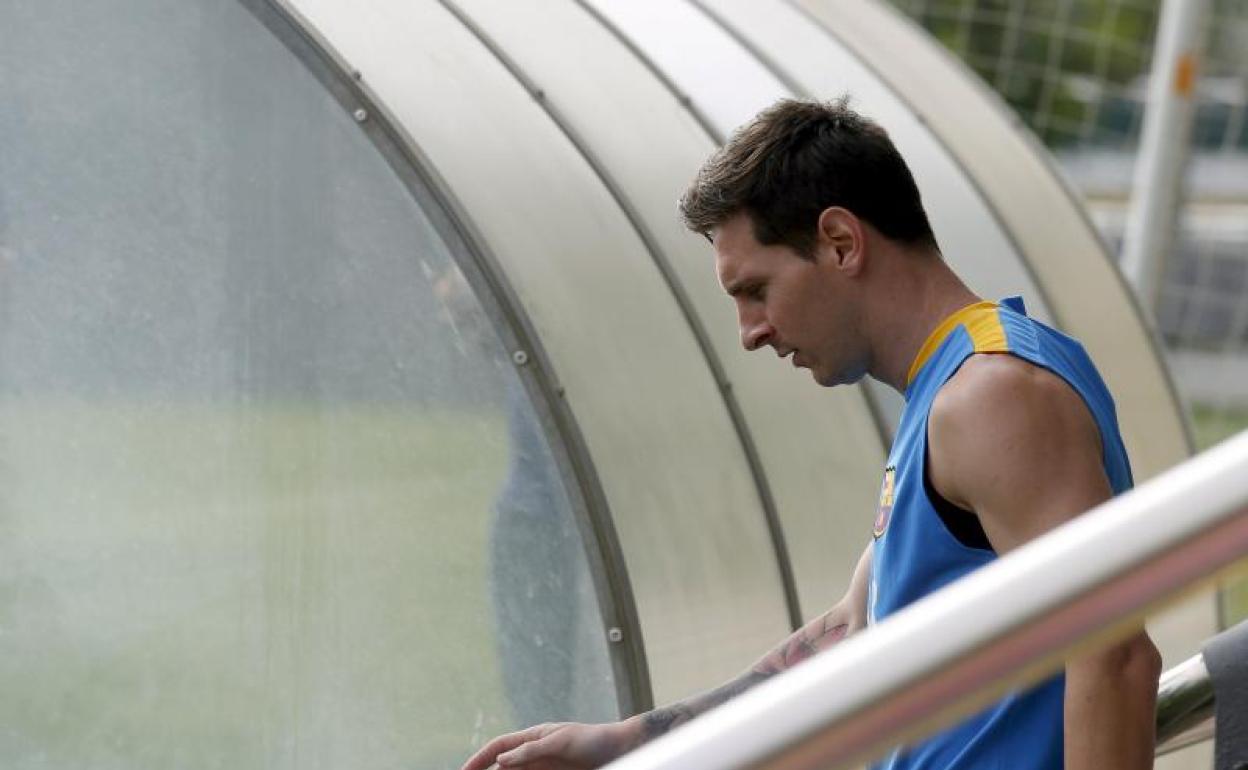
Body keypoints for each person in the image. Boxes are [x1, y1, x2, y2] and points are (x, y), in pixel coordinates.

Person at [461, 97, 1161, 770]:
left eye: (756, 290)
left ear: (839, 242)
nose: (750, 333)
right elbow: (856, 627)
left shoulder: (990, 396)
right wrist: (634, 741)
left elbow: (1114, 654)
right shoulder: (954, 390)